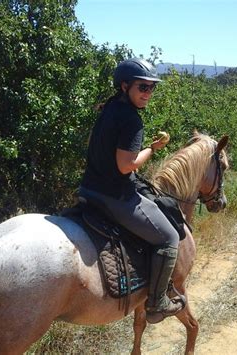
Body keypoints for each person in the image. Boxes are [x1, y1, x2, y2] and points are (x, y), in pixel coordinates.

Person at [79, 58, 185, 324]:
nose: (148, 93)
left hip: (90, 188)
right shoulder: (132, 121)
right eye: (142, 87)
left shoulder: (108, 108)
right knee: (169, 237)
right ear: (125, 85)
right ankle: (157, 302)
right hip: (116, 195)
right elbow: (126, 166)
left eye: (151, 88)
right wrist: (152, 149)